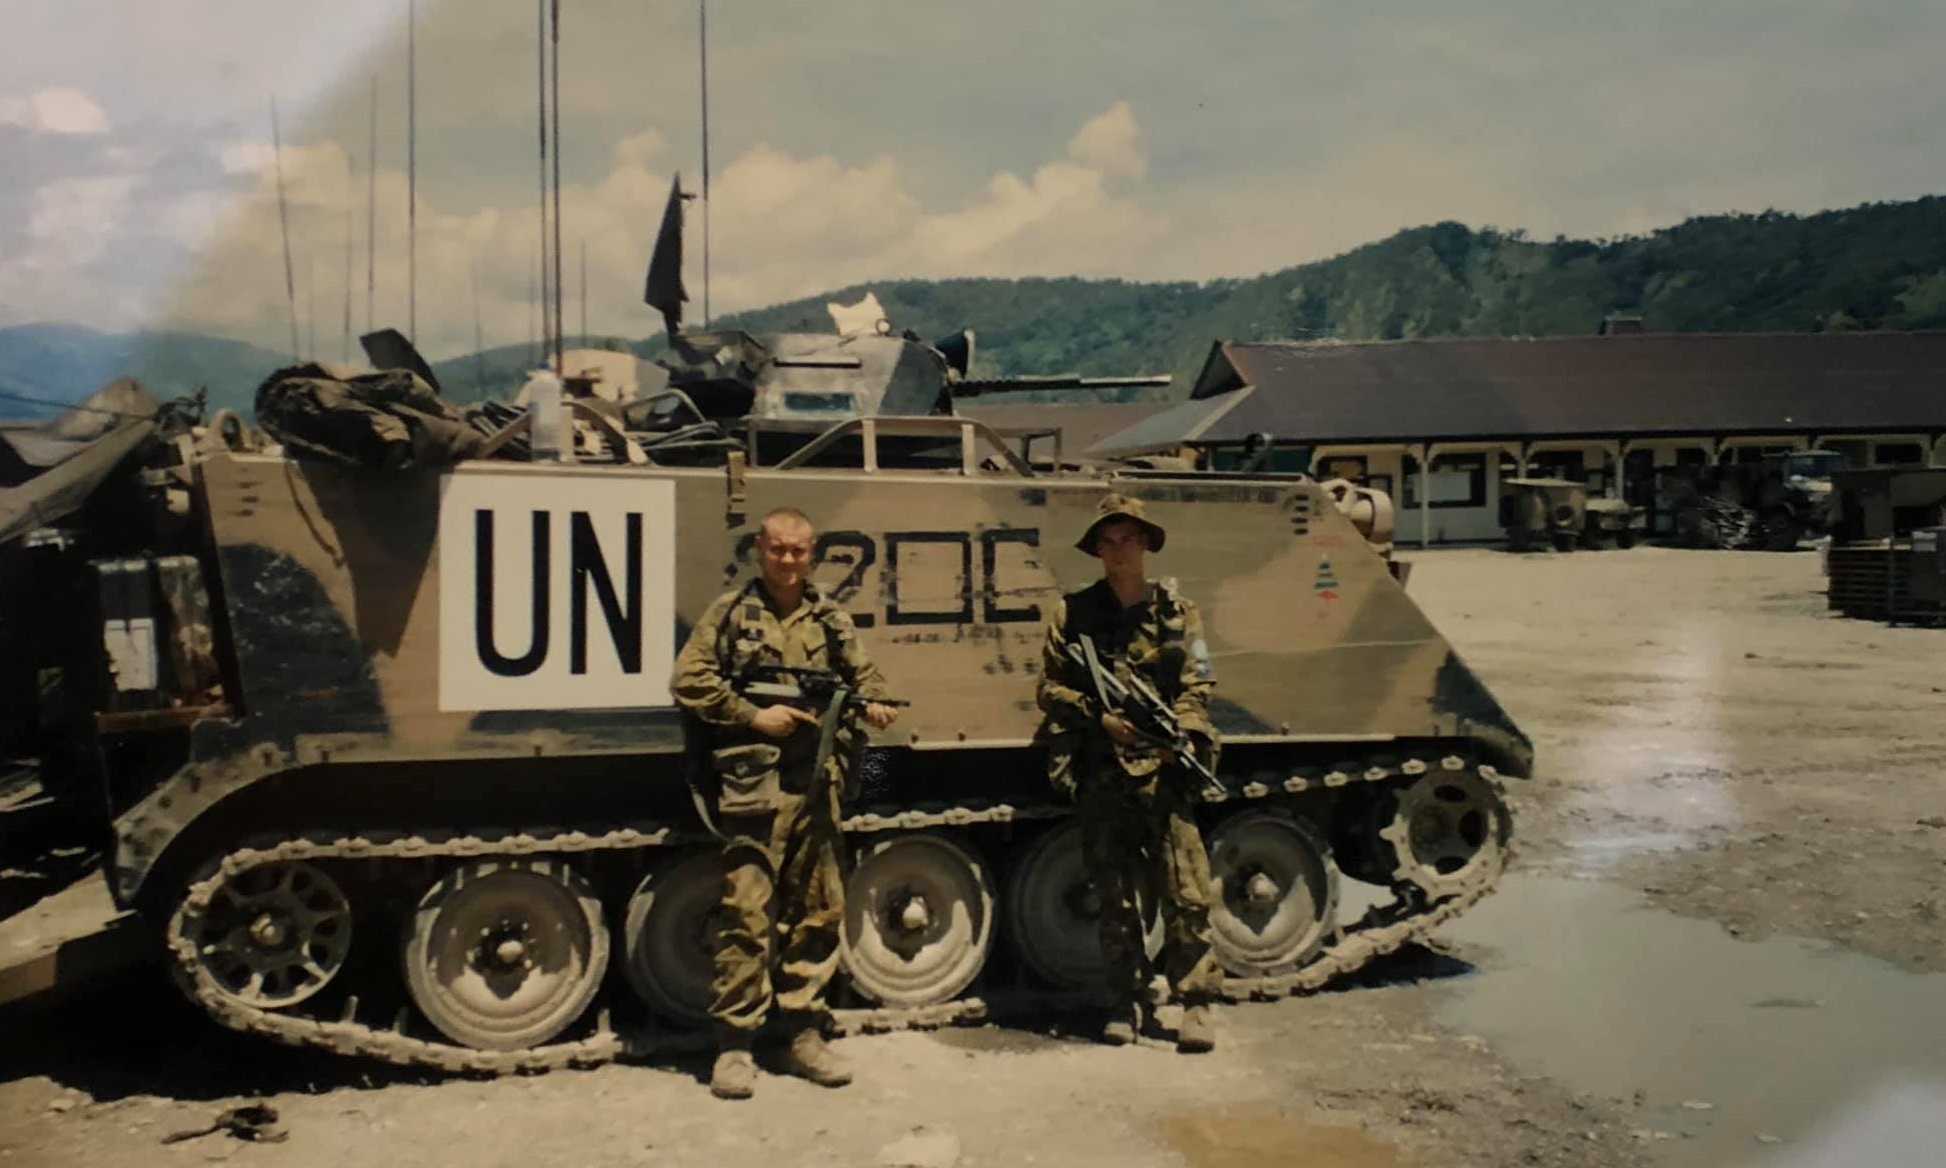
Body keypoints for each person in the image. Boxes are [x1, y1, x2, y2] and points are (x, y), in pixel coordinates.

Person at [670, 506, 900, 1100]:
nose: (789, 560)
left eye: (800, 550)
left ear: (813, 554)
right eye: (779, 549)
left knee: (819, 912)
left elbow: (866, 677)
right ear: (759, 550)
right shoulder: (730, 613)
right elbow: (688, 681)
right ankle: (735, 1046)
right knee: (746, 914)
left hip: (818, 784)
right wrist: (753, 715)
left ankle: (803, 1033)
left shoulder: (830, 618)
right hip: (753, 787)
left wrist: (873, 705)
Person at [1033, 493, 1224, 1053]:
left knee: (1186, 894)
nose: (1119, 551)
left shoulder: (1178, 612)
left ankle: (1196, 1004)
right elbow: (1048, 688)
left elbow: (1199, 681)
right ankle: (1126, 1002)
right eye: (1109, 541)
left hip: (1163, 772)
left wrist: (1181, 734)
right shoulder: (1073, 613)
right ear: (1097, 550)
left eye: (1129, 539)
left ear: (1146, 544)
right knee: (1113, 899)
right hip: (1103, 771)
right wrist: (1100, 717)